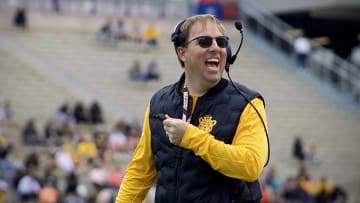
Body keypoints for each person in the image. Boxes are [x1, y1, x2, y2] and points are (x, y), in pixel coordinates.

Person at [116, 14, 269, 202]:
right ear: (182, 53)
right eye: (204, 41)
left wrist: (191, 137)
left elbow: (250, 166)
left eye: (221, 42)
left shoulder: (248, 103)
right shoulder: (159, 102)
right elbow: (139, 174)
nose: (215, 47)